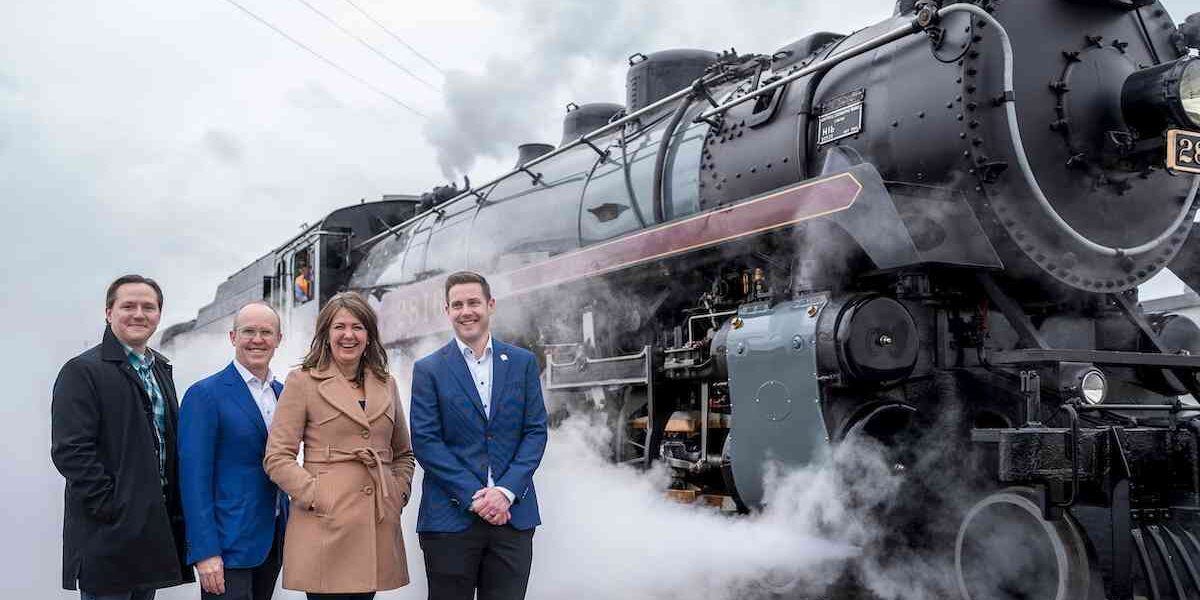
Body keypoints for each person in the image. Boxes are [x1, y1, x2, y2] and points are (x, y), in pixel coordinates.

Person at [51, 274, 193, 600]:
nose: (139, 314)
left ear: (159, 314)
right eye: (128, 306)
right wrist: (114, 508)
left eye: (149, 307)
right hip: (107, 536)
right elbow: (70, 452)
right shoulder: (82, 371)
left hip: (150, 533)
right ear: (108, 312)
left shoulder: (161, 369)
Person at [264, 292, 414, 600]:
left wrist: (397, 494)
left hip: (376, 524)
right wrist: (316, 494)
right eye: (339, 327)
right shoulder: (302, 382)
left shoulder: (387, 383)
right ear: (325, 333)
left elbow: (403, 454)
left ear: (369, 335)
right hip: (325, 526)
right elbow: (277, 457)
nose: (349, 335)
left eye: (358, 327)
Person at [410, 271, 548, 600]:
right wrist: (476, 495)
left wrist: (505, 491)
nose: (466, 311)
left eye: (473, 302)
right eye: (457, 304)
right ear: (447, 311)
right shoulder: (428, 369)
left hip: (512, 517)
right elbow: (426, 442)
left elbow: (535, 432)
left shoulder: (522, 362)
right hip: (450, 519)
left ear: (490, 305)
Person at [179, 303, 287, 600]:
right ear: (232, 337)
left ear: (279, 339)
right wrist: (205, 551)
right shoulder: (205, 394)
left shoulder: (284, 393)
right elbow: (193, 480)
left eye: (266, 332)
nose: (257, 339)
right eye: (248, 331)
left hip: (273, 540)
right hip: (227, 546)